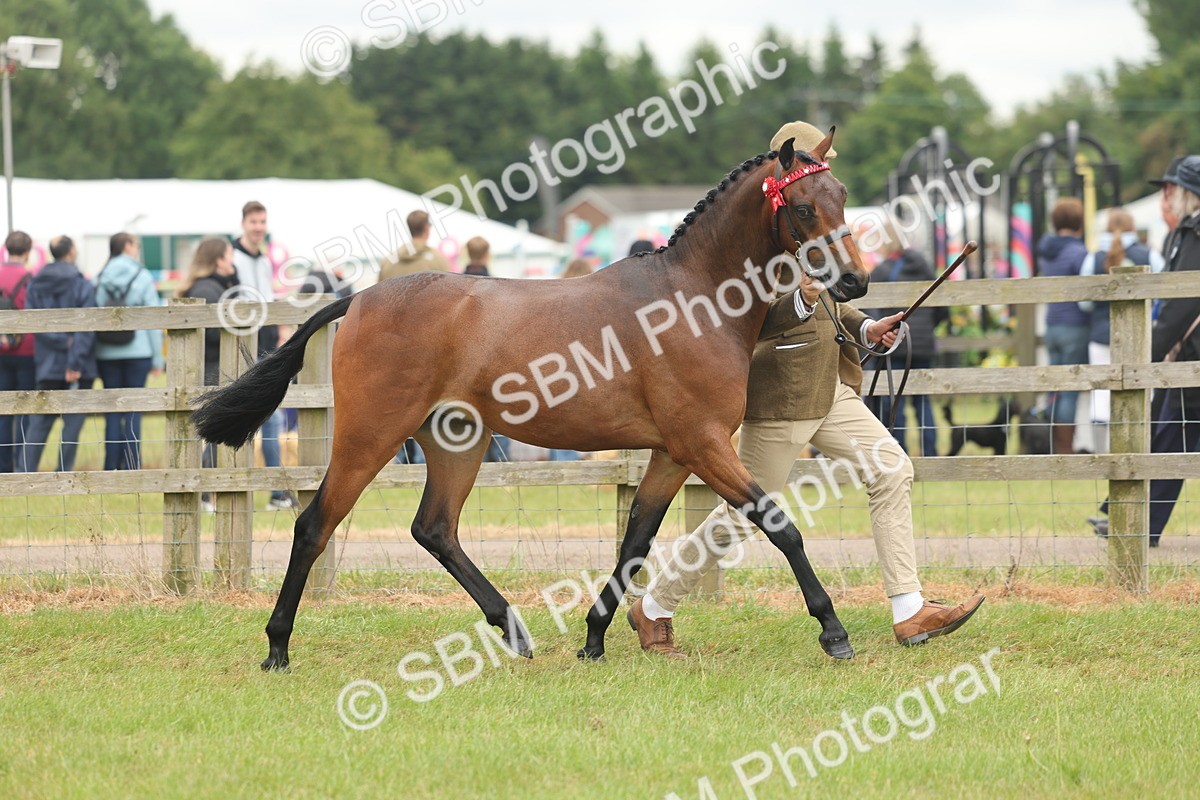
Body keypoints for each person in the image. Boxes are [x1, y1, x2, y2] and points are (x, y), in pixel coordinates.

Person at [627, 121, 984, 659]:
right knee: (742, 520)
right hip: (783, 399)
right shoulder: (758, 241)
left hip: (831, 392)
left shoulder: (817, 223)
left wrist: (866, 329)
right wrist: (797, 298)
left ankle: (908, 609)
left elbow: (831, 306)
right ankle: (653, 605)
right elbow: (745, 326)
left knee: (892, 468)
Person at [1090, 155, 1200, 546]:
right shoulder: (1185, 232)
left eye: (1170, 189)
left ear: (1187, 192)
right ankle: (1130, 519)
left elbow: (1181, 302)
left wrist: (1147, 354)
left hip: (1191, 358)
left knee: (1170, 435)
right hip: (1187, 356)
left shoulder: (1193, 232)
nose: (1165, 197)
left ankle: (1135, 524)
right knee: (1168, 433)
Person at [1078, 209, 1164, 453]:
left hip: (1101, 335)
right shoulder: (1149, 254)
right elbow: (1164, 293)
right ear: (1132, 227)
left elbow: (1084, 302)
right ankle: (1140, 449)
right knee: (1142, 390)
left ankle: (1101, 453)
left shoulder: (1093, 258)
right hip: (1139, 336)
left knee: (1101, 394)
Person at [233, 201, 296, 510]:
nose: (258, 227)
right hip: (242, 346)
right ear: (244, 223)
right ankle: (212, 489)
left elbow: (269, 298)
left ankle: (276, 490)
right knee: (235, 415)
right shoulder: (233, 258)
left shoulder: (264, 259)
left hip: (267, 345)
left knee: (273, 419)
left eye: (262, 222)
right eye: (253, 221)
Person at [23, 236, 97, 472]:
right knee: (72, 427)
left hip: (47, 363)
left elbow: (32, 322)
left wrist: (58, 340)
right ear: (71, 251)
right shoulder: (81, 283)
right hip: (78, 365)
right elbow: (87, 327)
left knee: (40, 422)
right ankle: (63, 473)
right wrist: (74, 359)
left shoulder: (35, 284)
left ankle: (25, 472)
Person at [872, 229, 946, 456]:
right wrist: (927, 330)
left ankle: (899, 452)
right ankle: (930, 452)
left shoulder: (882, 271)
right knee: (923, 401)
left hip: (894, 345)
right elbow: (942, 309)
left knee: (895, 404)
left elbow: (871, 310)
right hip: (922, 345)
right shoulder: (925, 268)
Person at [93, 232, 164, 470]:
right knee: (134, 409)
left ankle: (110, 466)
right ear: (127, 246)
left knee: (112, 409)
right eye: (136, 245)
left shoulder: (100, 276)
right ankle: (132, 465)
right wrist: (157, 358)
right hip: (139, 351)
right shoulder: (141, 275)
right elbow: (153, 319)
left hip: (106, 351)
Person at [179, 237, 239, 511]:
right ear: (218, 260)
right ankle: (205, 492)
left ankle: (203, 491)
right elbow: (216, 331)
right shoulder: (211, 289)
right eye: (229, 257)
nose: (232, 262)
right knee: (217, 432)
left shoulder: (210, 286)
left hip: (208, 365)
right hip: (212, 366)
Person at [1037, 197, 1091, 454]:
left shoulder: (1046, 251)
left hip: (1052, 325)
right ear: (1078, 222)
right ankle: (1065, 448)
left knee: (1055, 387)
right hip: (1075, 325)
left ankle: (1053, 442)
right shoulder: (1077, 252)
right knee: (1069, 390)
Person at [0, 231, 36, 472]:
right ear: (27, 251)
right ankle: (23, 466)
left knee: (3, 411)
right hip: (26, 350)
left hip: (1, 352)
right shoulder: (30, 278)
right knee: (26, 410)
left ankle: (4, 466)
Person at [378, 211, 450, 282]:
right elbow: (450, 289)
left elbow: (378, 292)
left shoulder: (387, 262)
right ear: (426, 228)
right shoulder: (438, 259)